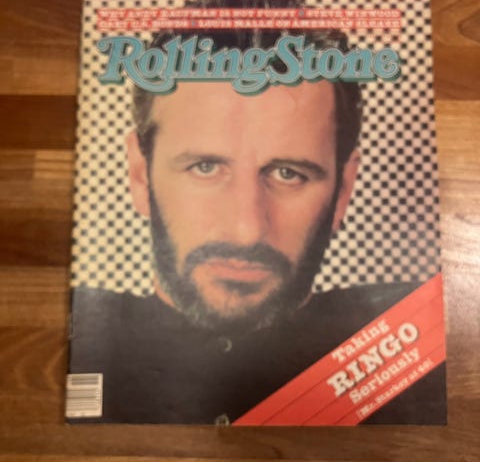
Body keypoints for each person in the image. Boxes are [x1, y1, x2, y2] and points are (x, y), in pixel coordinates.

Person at [69, 23, 446, 425]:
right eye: (205, 167)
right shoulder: (81, 338)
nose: (246, 230)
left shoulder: (416, 344)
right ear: (140, 175)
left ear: (343, 189)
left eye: (288, 174)